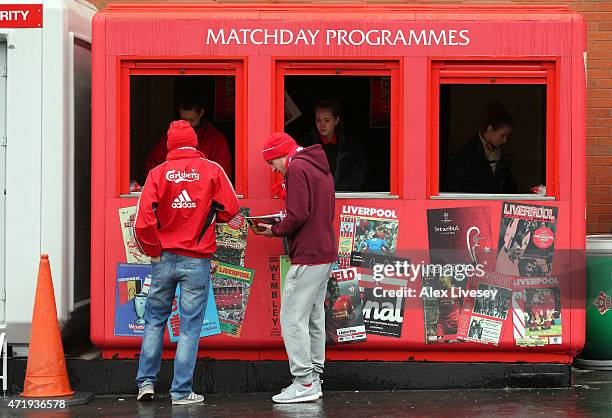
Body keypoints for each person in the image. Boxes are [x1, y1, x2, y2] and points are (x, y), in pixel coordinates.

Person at [133, 120, 239, 405]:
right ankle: (181, 392)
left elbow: (142, 224)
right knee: (190, 328)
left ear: (169, 145)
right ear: (195, 142)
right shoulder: (212, 170)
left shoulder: (156, 174)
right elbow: (231, 209)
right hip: (197, 259)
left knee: (154, 321)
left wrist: (155, 249)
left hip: (163, 258)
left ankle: (145, 382)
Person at [255, 132, 337, 403]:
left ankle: (303, 382)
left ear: (280, 154)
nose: (273, 169)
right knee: (314, 317)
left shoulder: (297, 167)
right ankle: (314, 378)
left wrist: (276, 229)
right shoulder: (318, 166)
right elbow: (316, 211)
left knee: (291, 317)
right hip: (325, 251)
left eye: (272, 163)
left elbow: (299, 213)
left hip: (308, 255)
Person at [145, 98, 233, 178]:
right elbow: (152, 167)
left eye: (191, 120)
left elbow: (223, 174)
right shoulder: (169, 138)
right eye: (183, 119)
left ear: (201, 113)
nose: (188, 124)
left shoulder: (217, 140)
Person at [299, 99, 366, 191]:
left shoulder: (350, 147)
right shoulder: (305, 145)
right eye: (318, 120)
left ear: (336, 120)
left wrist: (337, 192)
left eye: (327, 120)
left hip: (343, 198)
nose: (322, 125)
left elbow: (357, 175)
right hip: (315, 197)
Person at [450, 102, 516, 193]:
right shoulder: (467, 154)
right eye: (502, 135)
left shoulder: (502, 157)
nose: (505, 141)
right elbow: (459, 187)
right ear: (490, 129)